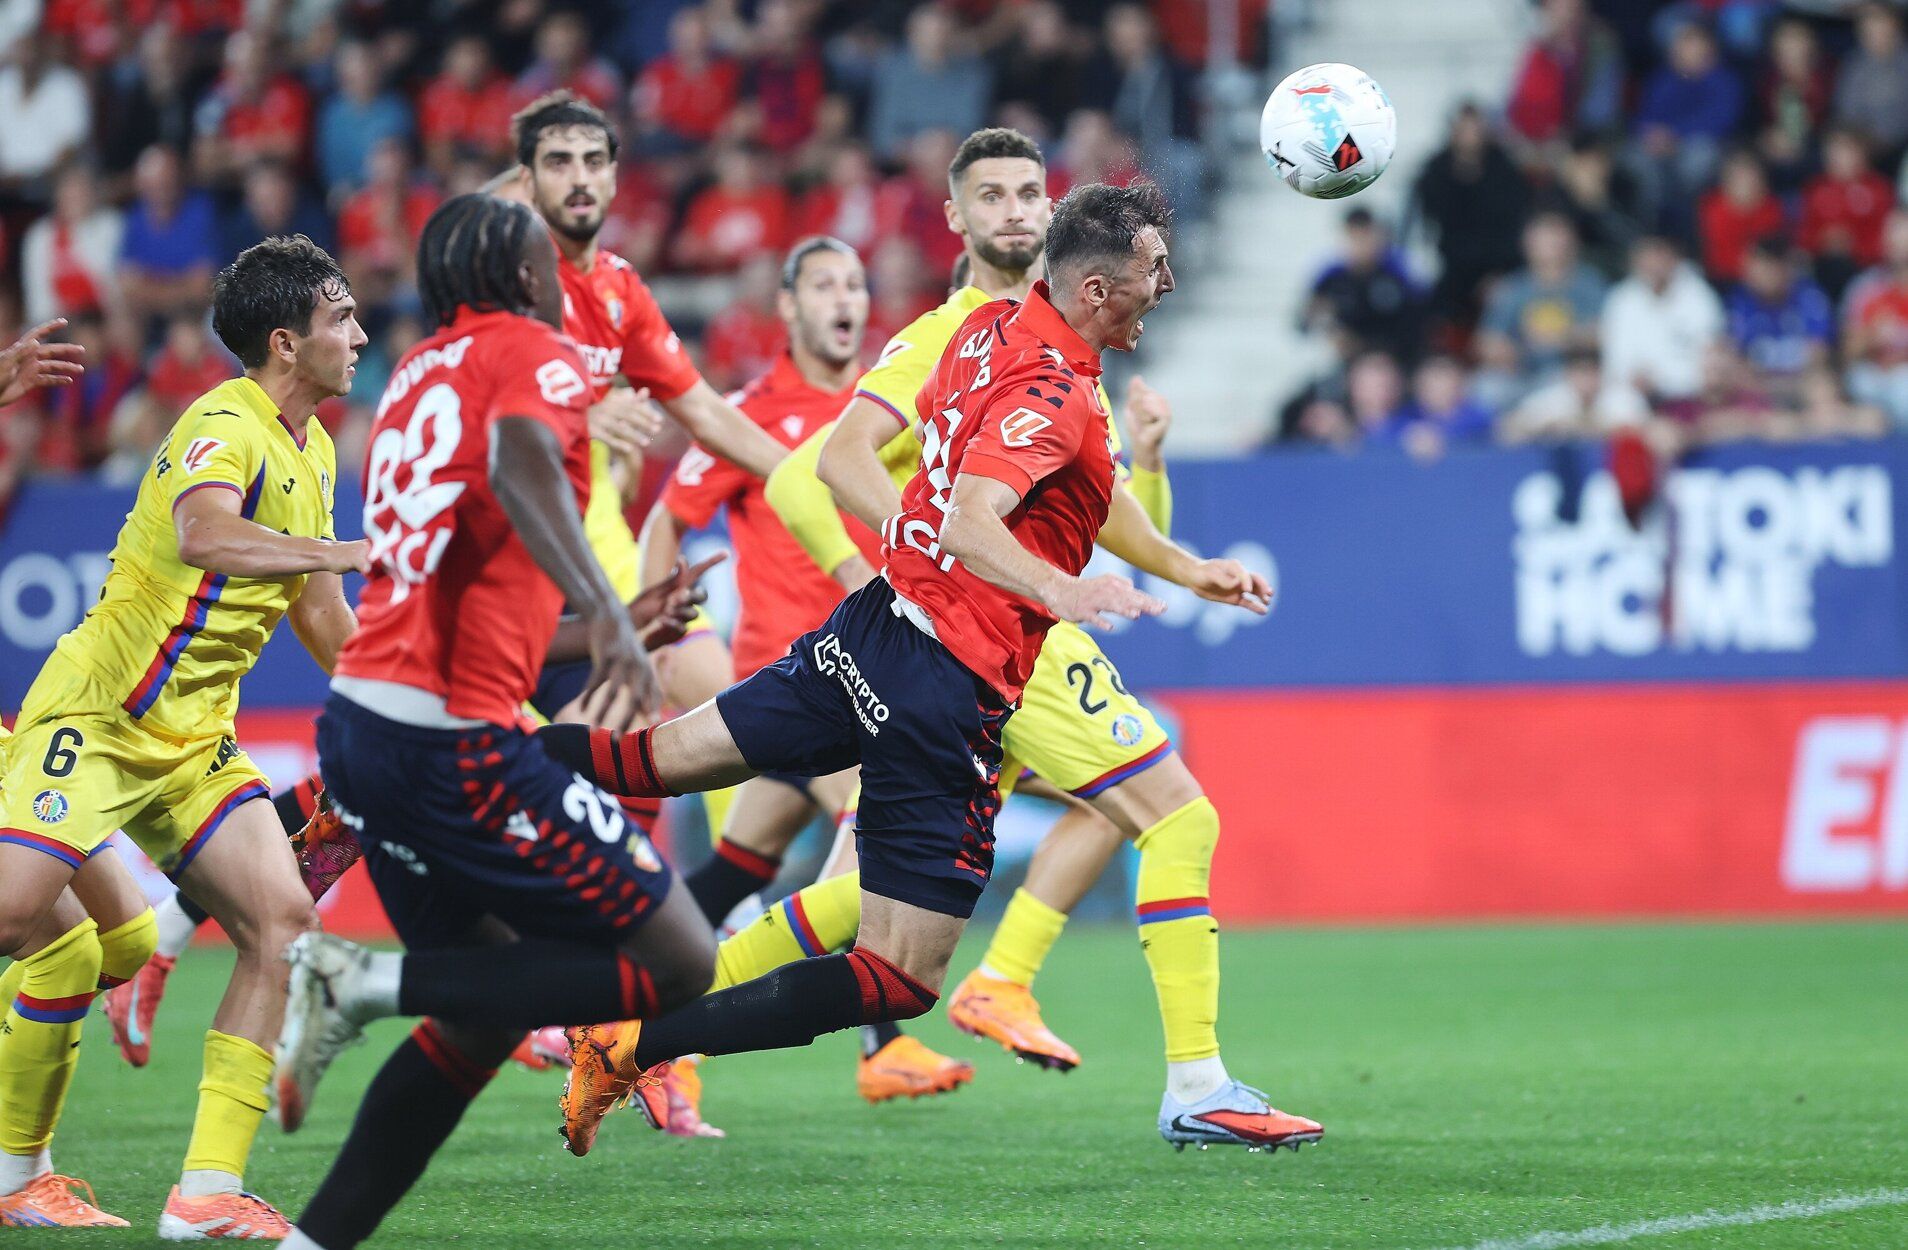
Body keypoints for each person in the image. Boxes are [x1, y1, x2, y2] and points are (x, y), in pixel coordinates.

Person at [538, 180, 1318, 1159]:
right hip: (944, 684)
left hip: (868, 632)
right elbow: (967, 516)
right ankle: (634, 1041)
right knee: (900, 972)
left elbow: (1079, 485)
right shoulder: (1055, 392)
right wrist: (1062, 590)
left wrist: (1182, 564)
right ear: (1092, 291)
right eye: (1152, 271)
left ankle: (439, 760)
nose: (1167, 282)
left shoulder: (991, 331)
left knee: (659, 759)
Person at [271, 194, 719, 1250]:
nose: (562, 272)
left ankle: (312, 1239)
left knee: (480, 1016)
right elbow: (525, 466)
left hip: (367, 732)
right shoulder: (538, 349)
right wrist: (606, 609)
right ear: (522, 277)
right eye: (543, 258)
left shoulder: (419, 375)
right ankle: (361, 975)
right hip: (453, 743)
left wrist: (617, 623)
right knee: (680, 957)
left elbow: (470, 586)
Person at [0, 237, 369, 1235]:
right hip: (104, 711)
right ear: (287, 341)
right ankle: (15, 1167)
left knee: (281, 921)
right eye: (342, 318)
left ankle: (204, 1191)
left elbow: (326, 621)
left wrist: (416, 692)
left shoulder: (316, 449)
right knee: (22, 923)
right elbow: (204, 532)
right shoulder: (224, 420)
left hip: (195, 740)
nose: (361, 334)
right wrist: (340, 546)